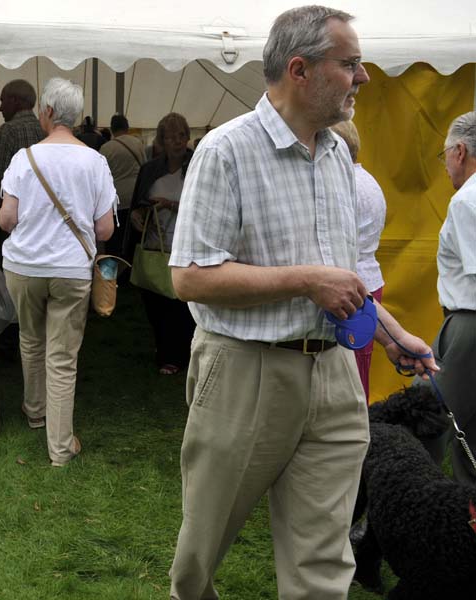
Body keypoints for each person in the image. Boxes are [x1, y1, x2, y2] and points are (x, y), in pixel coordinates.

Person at [167, 6, 438, 600]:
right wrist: (307, 280)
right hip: (245, 370)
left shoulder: (339, 156)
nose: (362, 77)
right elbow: (189, 277)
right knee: (200, 554)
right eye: (350, 64)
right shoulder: (226, 151)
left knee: (323, 560)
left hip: (336, 376)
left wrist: (391, 334)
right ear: (299, 70)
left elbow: (342, 276)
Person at [0, 77, 116, 467]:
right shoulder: (95, 162)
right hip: (70, 268)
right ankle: (60, 448)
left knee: (31, 341)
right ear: (77, 116)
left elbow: (6, 219)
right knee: (63, 358)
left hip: (24, 266)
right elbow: (104, 230)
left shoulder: (23, 159)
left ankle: (35, 412)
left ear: (46, 112)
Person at [129, 113, 195, 375]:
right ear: (161, 141)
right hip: (155, 245)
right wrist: (138, 214)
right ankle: (164, 350)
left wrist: (171, 205)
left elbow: (201, 207)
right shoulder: (150, 170)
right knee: (156, 302)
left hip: (185, 246)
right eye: (170, 136)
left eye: (181, 135)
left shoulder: (196, 166)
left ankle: (180, 355)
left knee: (181, 305)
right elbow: (138, 204)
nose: (176, 141)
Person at [432, 110, 476, 485]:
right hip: (464, 326)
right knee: (470, 440)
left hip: (468, 326)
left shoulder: (467, 200)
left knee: (428, 419)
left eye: (444, 154)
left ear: (459, 151)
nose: (445, 165)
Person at [331, 119, 386, 399]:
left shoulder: (345, 184)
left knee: (350, 375)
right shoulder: (368, 180)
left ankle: (357, 436)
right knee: (358, 367)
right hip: (367, 278)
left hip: (353, 286)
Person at [0, 80, 46, 264]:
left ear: (15, 101)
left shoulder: (7, 131)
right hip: (44, 216)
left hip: (13, 219)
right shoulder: (47, 130)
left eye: (2, 101)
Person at [99, 114, 144, 257]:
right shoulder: (138, 143)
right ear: (127, 126)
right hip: (136, 198)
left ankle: (115, 276)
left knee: (115, 244)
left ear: (112, 129)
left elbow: (101, 177)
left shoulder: (106, 148)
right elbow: (145, 167)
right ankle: (132, 274)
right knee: (134, 242)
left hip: (116, 202)